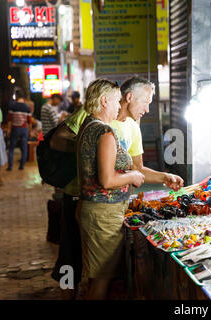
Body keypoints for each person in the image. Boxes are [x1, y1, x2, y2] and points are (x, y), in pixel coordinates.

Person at [76, 79, 145, 300]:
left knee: (95, 277)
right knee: (101, 280)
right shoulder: (104, 132)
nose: (118, 105)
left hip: (93, 212)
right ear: (104, 101)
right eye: (116, 101)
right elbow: (106, 180)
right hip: (103, 217)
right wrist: (132, 176)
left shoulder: (88, 125)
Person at [111, 76, 184, 189]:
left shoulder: (133, 127)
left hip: (120, 201)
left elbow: (137, 168)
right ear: (129, 97)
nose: (147, 110)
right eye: (145, 102)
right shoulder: (102, 119)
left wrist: (165, 177)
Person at [6, 88, 32, 171]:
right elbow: (29, 121)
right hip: (24, 129)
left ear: (16, 96)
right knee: (24, 148)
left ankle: (10, 166)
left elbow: (9, 119)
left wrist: (8, 130)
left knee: (11, 148)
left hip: (15, 128)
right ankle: (22, 166)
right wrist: (30, 132)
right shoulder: (27, 107)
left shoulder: (12, 106)